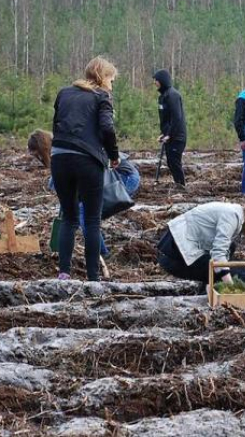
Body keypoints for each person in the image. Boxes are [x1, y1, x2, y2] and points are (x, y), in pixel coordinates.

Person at [50, 56, 120, 281]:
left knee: (69, 217)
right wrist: (114, 156)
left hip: (59, 157)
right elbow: (107, 129)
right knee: (91, 220)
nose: (112, 84)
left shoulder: (64, 93)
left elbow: (56, 125)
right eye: (111, 79)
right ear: (102, 77)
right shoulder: (102, 96)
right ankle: (93, 278)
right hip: (87, 160)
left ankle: (64, 273)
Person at [28, 129, 140, 260]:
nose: (39, 159)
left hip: (122, 178)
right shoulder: (61, 148)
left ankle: (103, 255)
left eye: (39, 155)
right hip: (105, 179)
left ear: (44, 148)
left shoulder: (66, 149)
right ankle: (98, 243)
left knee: (85, 215)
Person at [157, 197, 245, 286]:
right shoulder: (232, 217)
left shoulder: (236, 213)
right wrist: (231, 287)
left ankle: (207, 288)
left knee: (230, 248)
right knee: (242, 275)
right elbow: (218, 255)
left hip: (175, 248)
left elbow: (221, 249)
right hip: (173, 255)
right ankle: (212, 294)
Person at [153, 69, 187, 187]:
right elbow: (166, 119)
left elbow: (176, 117)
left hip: (177, 137)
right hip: (170, 136)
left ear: (162, 81)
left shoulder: (173, 95)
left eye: (156, 80)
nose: (155, 83)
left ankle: (181, 185)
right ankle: (178, 184)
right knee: (171, 162)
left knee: (174, 162)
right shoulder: (163, 97)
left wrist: (170, 134)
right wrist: (163, 133)